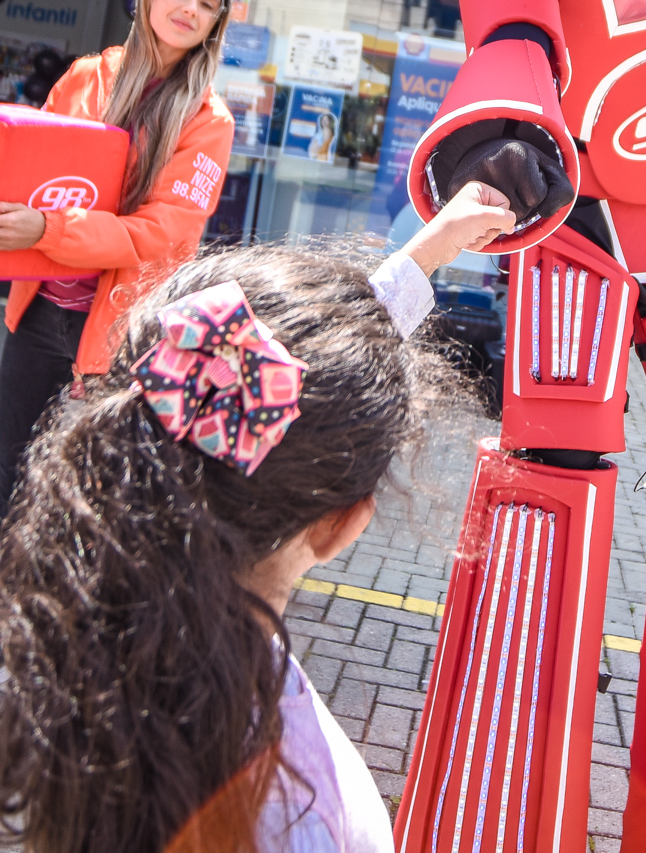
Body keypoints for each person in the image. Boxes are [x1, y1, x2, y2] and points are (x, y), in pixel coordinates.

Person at [0, 180, 516, 853]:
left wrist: (423, 255)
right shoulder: (312, 813)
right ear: (340, 526)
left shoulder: (46, 654)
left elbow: (292, 382)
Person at [0, 0, 235, 514]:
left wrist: (47, 229)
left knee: (94, 492)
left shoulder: (208, 121)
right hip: (40, 310)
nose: (189, 9)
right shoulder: (86, 76)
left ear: (214, 25)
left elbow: (158, 232)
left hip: (123, 327)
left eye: (207, 4)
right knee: (7, 466)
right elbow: (35, 171)